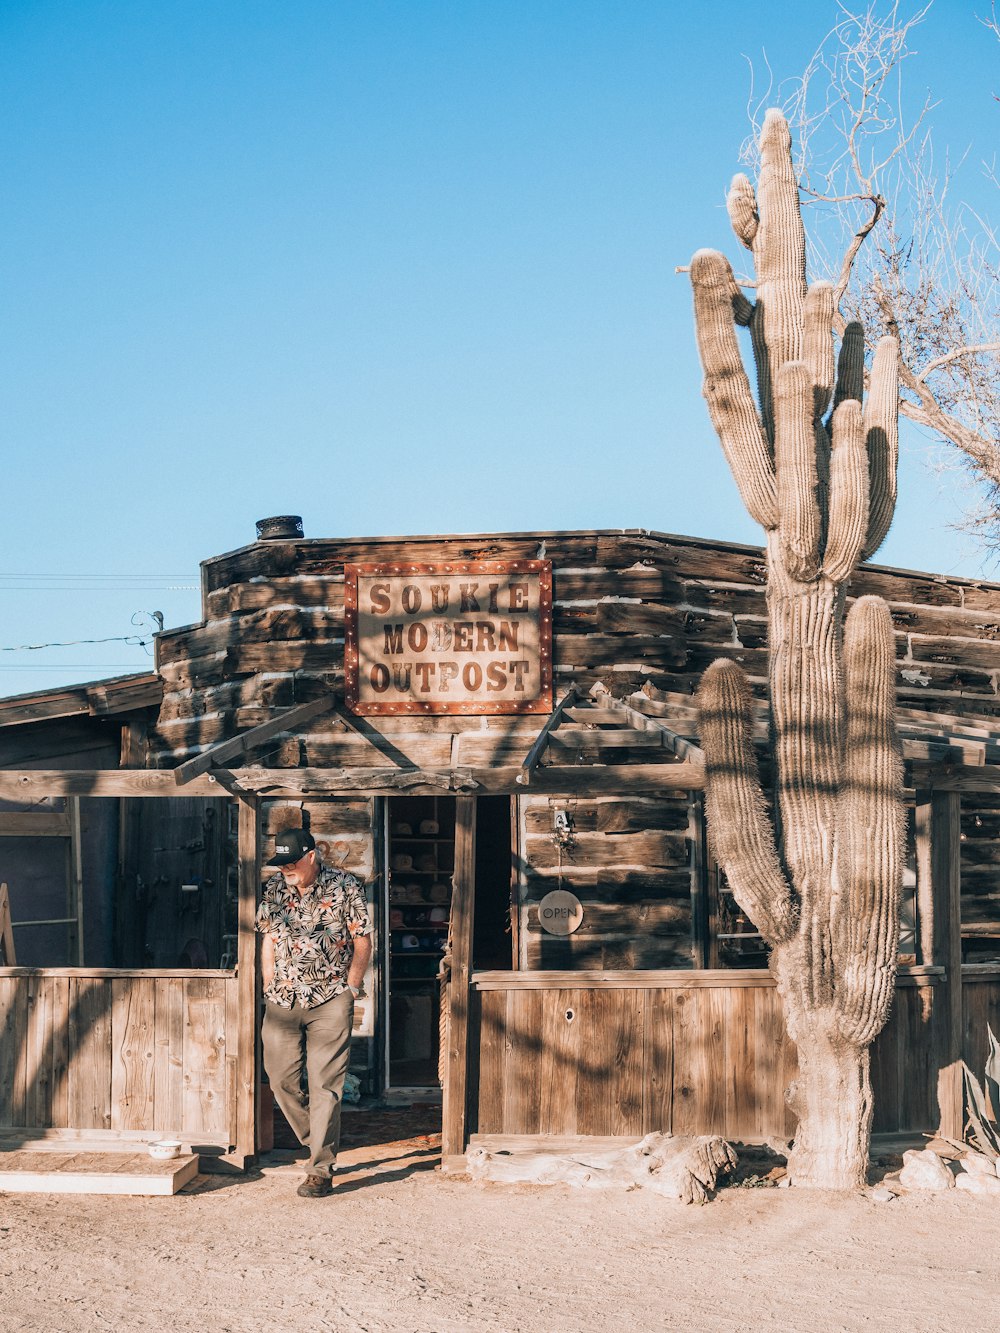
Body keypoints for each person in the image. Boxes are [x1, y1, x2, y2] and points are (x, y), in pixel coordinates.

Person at [255, 827, 373, 1197]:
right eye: (280, 863)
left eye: (291, 862)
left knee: (324, 1084)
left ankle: (320, 1167)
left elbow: (362, 938)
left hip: (330, 998)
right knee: (280, 1080)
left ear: (310, 856)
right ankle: (318, 1138)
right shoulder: (275, 888)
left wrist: (351, 987)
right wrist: (267, 982)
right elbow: (269, 937)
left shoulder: (345, 886)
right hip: (282, 999)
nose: (285, 868)